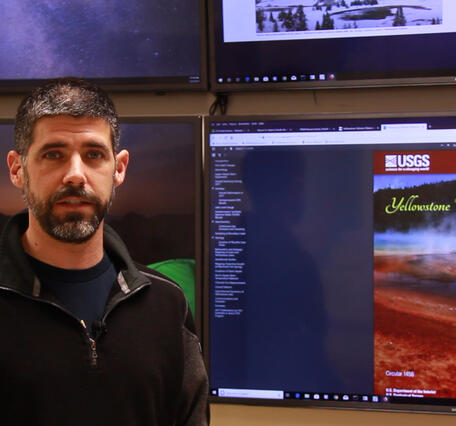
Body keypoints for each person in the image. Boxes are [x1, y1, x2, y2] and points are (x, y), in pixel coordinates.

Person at [0, 77, 209, 425]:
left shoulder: (167, 305)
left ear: (119, 168)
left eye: (93, 155)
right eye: (54, 154)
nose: (75, 175)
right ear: (17, 169)